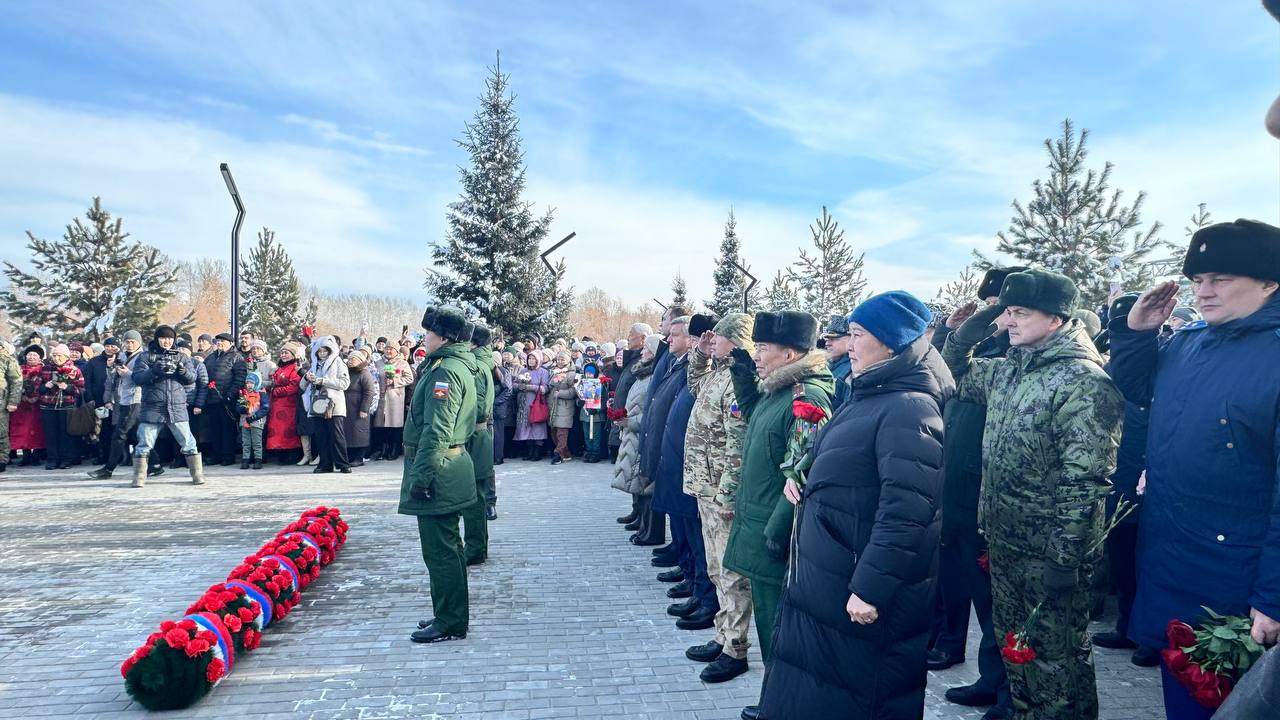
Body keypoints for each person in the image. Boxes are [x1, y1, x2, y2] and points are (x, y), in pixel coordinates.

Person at [1108, 219, 1280, 720]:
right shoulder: (1190, 342)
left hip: (1240, 582)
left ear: (1270, 280)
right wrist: (1136, 331)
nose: (1203, 292)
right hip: (1172, 558)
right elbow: (1137, 390)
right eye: (1197, 280)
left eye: (1220, 278)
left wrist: (1273, 595)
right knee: (1183, 697)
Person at [761, 291, 952, 719]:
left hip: (858, 590)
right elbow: (854, 468)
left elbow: (908, 510)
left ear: (891, 342)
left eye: (857, 334)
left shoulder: (910, 408)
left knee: (860, 699)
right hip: (829, 576)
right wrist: (807, 481)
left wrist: (869, 588)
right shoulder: (869, 395)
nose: (848, 345)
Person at [943, 269, 1123, 720]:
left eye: (1021, 312)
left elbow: (1085, 482)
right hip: (1005, 543)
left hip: (1050, 554)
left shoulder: (1084, 381)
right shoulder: (1010, 371)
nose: (1009, 321)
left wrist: (1065, 559)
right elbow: (954, 374)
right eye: (1007, 312)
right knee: (1017, 650)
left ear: (1057, 319)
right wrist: (968, 329)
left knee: (1056, 659)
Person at [725, 310, 834, 720]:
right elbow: (758, 419)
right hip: (758, 523)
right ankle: (778, 699)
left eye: (763, 348)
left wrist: (777, 529)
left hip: (775, 532)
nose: (756, 354)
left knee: (779, 627)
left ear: (790, 354)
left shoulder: (807, 397)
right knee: (771, 623)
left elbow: (803, 472)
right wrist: (741, 373)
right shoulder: (779, 389)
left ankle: (784, 705)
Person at [930, 266, 1024, 719]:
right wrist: (960, 329)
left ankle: (1007, 689)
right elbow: (947, 370)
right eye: (992, 304)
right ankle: (991, 677)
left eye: (1004, 307)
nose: (997, 314)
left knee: (995, 601)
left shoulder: (1021, 357)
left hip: (990, 493)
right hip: (960, 486)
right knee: (968, 583)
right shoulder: (987, 347)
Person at [683, 312, 755, 683]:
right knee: (715, 568)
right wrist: (703, 354)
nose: (714, 342)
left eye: (721, 338)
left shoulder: (741, 380)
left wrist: (728, 496)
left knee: (731, 574)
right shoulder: (718, 373)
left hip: (719, 492)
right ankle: (722, 634)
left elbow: (738, 446)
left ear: (736, 339)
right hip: (703, 487)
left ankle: (736, 649)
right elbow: (694, 382)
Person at [402, 306, 478, 644]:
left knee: (441, 550)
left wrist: (421, 477)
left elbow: (437, 430)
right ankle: (447, 612)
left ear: (443, 337)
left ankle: (450, 621)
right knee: (448, 548)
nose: (424, 338)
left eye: (428, 333)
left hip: (440, 470)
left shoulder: (444, 371)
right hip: (449, 465)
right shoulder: (450, 365)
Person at [127, 325, 205, 486]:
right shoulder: (145, 357)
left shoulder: (182, 357)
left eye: (170, 338)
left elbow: (191, 379)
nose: (166, 342)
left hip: (176, 406)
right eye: (163, 338)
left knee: (189, 443)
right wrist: (155, 370)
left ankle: (197, 475)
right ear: (157, 339)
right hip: (152, 407)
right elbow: (137, 378)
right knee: (144, 443)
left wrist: (181, 371)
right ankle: (139, 478)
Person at [611, 334, 660, 521]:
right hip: (631, 431)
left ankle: (644, 520)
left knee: (641, 476)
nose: (643, 352)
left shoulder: (653, 375)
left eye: (647, 348)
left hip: (640, 432)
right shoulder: (641, 372)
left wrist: (631, 421)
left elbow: (652, 410)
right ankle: (637, 513)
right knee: (633, 474)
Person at [462, 322, 497, 565]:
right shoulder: (483, 362)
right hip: (479, 434)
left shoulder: (475, 366)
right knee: (477, 493)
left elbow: (478, 405)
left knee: (474, 495)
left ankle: (475, 548)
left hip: (473, 435)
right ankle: (477, 546)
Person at [301, 336, 352, 474]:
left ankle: (343, 463)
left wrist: (322, 381)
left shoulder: (338, 363)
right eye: (319, 351)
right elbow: (302, 385)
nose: (322, 354)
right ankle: (325, 463)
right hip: (317, 404)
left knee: (337, 435)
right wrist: (307, 378)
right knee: (321, 435)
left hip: (334, 404)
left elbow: (344, 383)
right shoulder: (314, 365)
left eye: (325, 351)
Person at [38, 343, 85, 470]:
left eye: (59, 355)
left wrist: (68, 387)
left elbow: (81, 389)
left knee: (66, 434)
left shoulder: (75, 370)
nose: (56, 358)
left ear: (66, 356)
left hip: (66, 405)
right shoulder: (45, 368)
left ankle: (66, 459)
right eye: (54, 355)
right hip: (48, 406)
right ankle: (52, 459)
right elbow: (36, 388)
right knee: (50, 433)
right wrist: (45, 386)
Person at [203, 333, 247, 466]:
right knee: (214, 428)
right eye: (218, 341)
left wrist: (230, 394)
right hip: (212, 399)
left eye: (223, 341)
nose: (219, 343)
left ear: (231, 343)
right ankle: (216, 455)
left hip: (228, 399)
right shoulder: (211, 357)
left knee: (228, 428)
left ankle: (228, 456)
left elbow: (240, 378)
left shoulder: (236, 357)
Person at [169, 339, 208, 469]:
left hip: (192, 403)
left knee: (192, 433)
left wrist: (199, 405)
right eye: (180, 349)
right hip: (176, 403)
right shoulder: (171, 364)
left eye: (185, 350)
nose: (182, 352)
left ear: (190, 352)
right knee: (176, 433)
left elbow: (203, 385)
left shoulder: (197, 364)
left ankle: (191, 460)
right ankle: (178, 458)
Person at [372, 344, 414, 462]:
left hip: (395, 397)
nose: (388, 351)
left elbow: (409, 378)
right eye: (387, 348)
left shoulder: (402, 363)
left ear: (396, 351)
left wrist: (395, 381)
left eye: (391, 349)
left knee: (394, 424)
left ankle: (393, 449)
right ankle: (380, 450)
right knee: (380, 424)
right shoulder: (378, 363)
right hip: (380, 397)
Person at [268, 342, 305, 463]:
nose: (283, 355)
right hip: (276, 404)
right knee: (277, 429)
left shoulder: (295, 368)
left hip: (289, 404)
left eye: (286, 353)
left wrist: (276, 391)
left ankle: (291, 453)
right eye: (282, 353)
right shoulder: (280, 368)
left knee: (288, 429)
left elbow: (294, 386)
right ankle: (280, 452)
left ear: (293, 355)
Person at [342, 347, 376, 467]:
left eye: (353, 359)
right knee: (348, 432)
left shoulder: (364, 373)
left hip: (358, 406)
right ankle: (350, 456)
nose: (350, 361)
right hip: (347, 406)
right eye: (349, 359)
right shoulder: (346, 372)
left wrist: (364, 408)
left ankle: (359, 457)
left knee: (359, 432)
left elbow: (369, 392)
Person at [13, 345, 46, 465]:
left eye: (35, 355)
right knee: (22, 429)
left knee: (37, 429)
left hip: (38, 405)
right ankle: (25, 455)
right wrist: (23, 396)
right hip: (22, 405)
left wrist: (36, 397)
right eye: (29, 354)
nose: (31, 357)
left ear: (40, 358)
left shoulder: (44, 369)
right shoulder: (19, 369)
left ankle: (36, 456)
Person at [513, 353, 550, 460]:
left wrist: (531, 387)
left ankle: (537, 451)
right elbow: (514, 385)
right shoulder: (523, 371)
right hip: (524, 403)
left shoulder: (543, 372)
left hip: (536, 403)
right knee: (526, 426)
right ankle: (529, 450)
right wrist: (521, 386)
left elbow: (545, 388)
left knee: (537, 425)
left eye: (534, 359)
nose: (531, 360)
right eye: (529, 358)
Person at [546, 351, 578, 465]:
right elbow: (549, 386)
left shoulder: (572, 374)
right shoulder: (554, 372)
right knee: (554, 432)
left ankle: (558, 454)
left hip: (565, 407)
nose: (560, 362)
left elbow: (574, 391)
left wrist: (561, 393)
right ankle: (566, 454)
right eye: (558, 359)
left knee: (561, 432)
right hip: (553, 406)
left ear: (568, 360)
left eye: (562, 359)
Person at [820, 314, 853, 409]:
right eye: (827, 338)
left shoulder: (853, 370)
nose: (827, 343)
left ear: (851, 338)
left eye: (834, 339)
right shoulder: (826, 365)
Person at [0, 337, 21, 473]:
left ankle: (2, 459)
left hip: (1, 403)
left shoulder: (7, 359)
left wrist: (13, 401)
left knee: (1, 433)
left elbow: (16, 381)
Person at [492, 350, 515, 466]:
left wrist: (495, 402)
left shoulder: (503, 372)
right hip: (493, 406)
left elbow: (508, 390)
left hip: (499, 407)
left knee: (498, 433)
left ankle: (498, 457)